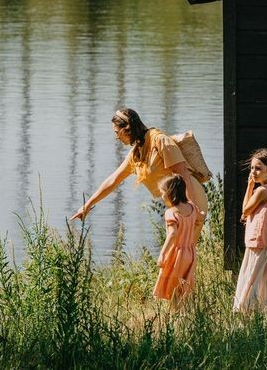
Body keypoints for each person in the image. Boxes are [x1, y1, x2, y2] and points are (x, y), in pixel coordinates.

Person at [70, 108, 208, 223]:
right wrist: (87, 206)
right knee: (178, 253)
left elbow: (182, 173)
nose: (117, 137)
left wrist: (192, 208)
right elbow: (113, 181)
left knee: (181, 251)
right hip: (177, 204)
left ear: (127, 128)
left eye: (117, 132)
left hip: (191, 198)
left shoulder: (159, 140)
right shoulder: (137, 154)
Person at [232, 148, 267, 315]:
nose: (253, 172)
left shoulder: (261, 190)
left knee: (251, 278)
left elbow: (246, 210)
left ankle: (243, 312)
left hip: (259, 239)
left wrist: (249, 186)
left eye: (258, 168)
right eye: (252, 168)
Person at [153, 174, 205, 307]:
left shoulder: (171, 213)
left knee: (172, 284)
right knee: (184, 284)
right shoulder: (192, 207)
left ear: (170, 193)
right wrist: (197, 223)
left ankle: (174, 313)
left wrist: (162, 253)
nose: (162, 196)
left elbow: (172, 234)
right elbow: (201, 216)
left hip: (176, 254)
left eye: (163, 193)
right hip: (190, 252)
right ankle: (183, 311)